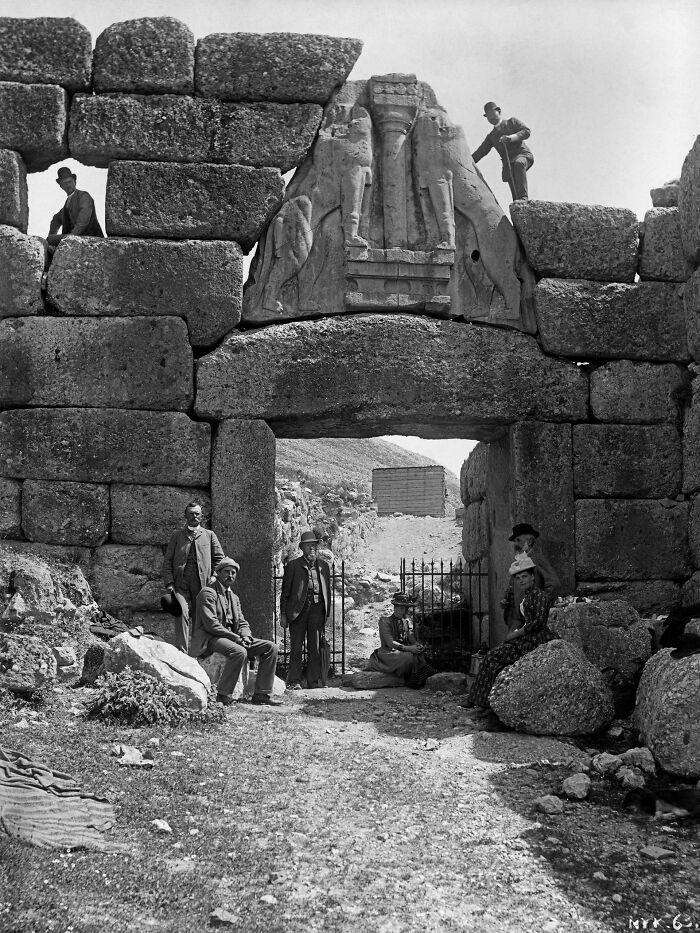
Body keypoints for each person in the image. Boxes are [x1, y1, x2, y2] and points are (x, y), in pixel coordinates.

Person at [189, 557, 281, 706]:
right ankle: (223, 695)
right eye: (226, 572)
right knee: (239, 652)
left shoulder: (234, 597)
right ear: (218, 573)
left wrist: (246, 636)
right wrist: (236, 638)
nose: (230, 575)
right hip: (211, 638)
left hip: (231, 637)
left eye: (233, 573)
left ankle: (261, 694)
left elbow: (242, 621)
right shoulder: (207, 593)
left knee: (271, 647)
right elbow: (212, 625)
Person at [465, 554, 553, 710]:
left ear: (532, 577)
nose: (521, 580)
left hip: (536, 640)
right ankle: (484, 700)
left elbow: (538, 622)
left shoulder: (539, 595)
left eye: (524, 576)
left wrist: (516, 635)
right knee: (493, 657)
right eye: (518, 578)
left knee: (492, 657)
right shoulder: (528, 597)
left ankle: (479, 701)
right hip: (528, 638)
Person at [162, 502, 224, 653]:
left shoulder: (209, 535)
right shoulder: (177, 535)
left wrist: (215, 575)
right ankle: (182, 652)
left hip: (201, 584)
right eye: (191, 513)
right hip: (180, 584)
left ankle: (196, 654)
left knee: (199, 619)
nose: (194, 516)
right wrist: (169, 582)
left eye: (197, 513)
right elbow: (168, 560)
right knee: (181, 612)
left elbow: (220, 559)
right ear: (185, 516)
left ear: (201, 517)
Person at [280, 530, 332, 690]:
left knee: (315, 647)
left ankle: (313, 681)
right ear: (302, 548)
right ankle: (294, 680)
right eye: (309, 546)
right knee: (296, 647)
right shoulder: (293, 566)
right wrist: (283, 614)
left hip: (317, 610)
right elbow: (285, 592)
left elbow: (327, 591)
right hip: (298, 611)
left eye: (315, 546)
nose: (313, 549)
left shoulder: (323, 566)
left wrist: (326, 612)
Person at [367, 591, 436, 689]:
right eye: (402, 608)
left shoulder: (406, 621)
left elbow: (411, 637)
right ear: (395, 608)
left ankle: (418, 677)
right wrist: (409, 648)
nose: (405, 611)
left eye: (406, 608)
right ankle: (415, 678)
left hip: (402, 650)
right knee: (408, 658)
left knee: (421, 654)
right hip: (387, 653)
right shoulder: (384, 621)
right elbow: (390, 643)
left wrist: (417, 645)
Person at [501, 522, 559, 628]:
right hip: (516, 619)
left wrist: (539, 605)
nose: (515, 544)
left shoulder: (537, 559)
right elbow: (514, 587)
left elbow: (553, 584)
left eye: (518, 540)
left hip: (530, 619)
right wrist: (506, 599)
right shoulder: (518, 560)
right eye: (514, 541)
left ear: (530, 541)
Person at [472, 102, 533, 202]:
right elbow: (481, 152)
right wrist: (466, 161)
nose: (490, 117)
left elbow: (526, 131)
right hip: (508, 165)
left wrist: (511, 138)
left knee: (519, 163)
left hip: (522, 155)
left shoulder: (512, 122)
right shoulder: (491, 136)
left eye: (492, 113)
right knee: (515, 195)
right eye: (487, 116)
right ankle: (518, 205)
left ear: (498, 111)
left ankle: (524, 198)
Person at [46, 166, 104, 252]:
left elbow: (82, 223)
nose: (68, 185)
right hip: (75, 239)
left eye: (69, 182)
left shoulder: (84, 196)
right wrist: (51, 238)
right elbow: (56, 219)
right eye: (64, 183)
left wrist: (69, 239)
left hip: (92, 239)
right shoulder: (67, 204)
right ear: (61, 186)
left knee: (50, 240)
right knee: (49, 240)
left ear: (75, 181)